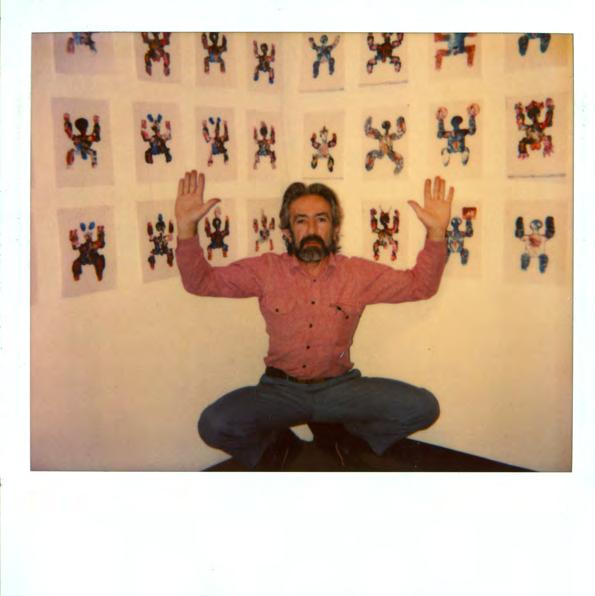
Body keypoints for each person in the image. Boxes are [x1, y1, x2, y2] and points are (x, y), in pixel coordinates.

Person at [175, 170, 453, 470]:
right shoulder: (266, 270)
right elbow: (201, 282)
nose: (311, 229)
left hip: (340, 390)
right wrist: (186, 229)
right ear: (287, 231)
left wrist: (436, 233)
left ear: (334, 229)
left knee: (423, 407)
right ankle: (279, 448)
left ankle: (348, 439)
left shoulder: (356, 274)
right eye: (300, 220)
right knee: (213, 424)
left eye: (321, 219)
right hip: (280, 391)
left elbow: (420, 286)